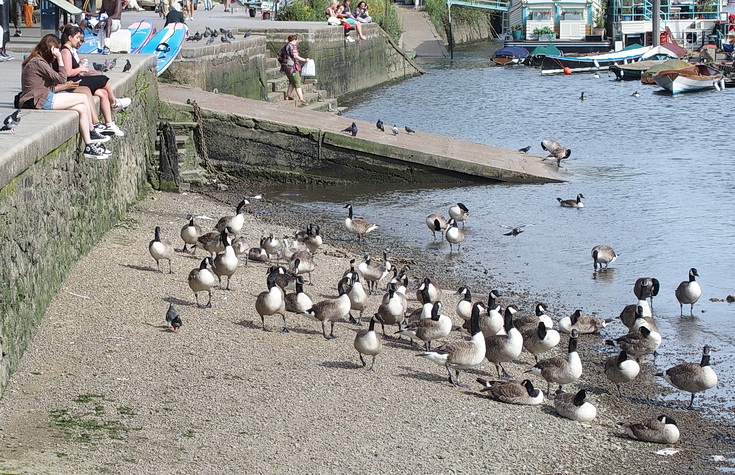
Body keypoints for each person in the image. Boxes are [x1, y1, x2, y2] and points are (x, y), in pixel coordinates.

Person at [19, 34, 112, 159]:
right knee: (83, 98)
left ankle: (89, 145)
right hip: (39, 100)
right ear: (51, 51)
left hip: (43, 96)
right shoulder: (38, 63)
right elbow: (62, 79)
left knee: (82, 108)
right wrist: (60, 59)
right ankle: (91, 132)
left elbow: (51, 84)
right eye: (56, 51)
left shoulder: (39, 61)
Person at [58, 24, 130, 136]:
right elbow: (68, 73)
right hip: (72, 81)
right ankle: (114, 103)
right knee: (103, 79)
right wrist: (80, 68)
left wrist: (79, 65)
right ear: (70, 37)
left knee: (103, 92)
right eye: (77, 38)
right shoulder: (65, 51)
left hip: (77, 78)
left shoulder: (69, 50)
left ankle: (109, 124)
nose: (78, 41)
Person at [278, 34, 309, 105]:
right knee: (297, 82)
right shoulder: (293, 46)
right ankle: (301, 98)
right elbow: (295, 56)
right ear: (295, 40)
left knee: (292, 81)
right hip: (292, 67)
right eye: (297, 40)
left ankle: (288, 96)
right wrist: (305, 60)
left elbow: (279, 55)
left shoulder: (286, 46)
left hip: (286, 67)